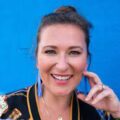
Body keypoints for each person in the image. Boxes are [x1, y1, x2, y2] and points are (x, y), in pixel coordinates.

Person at [0, 6, 120, 120]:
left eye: (74, 52)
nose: (62, 66)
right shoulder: (6, 110)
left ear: (86, 61)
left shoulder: (99, 113)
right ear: (37, 58)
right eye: (51, 51)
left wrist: (117, 112)